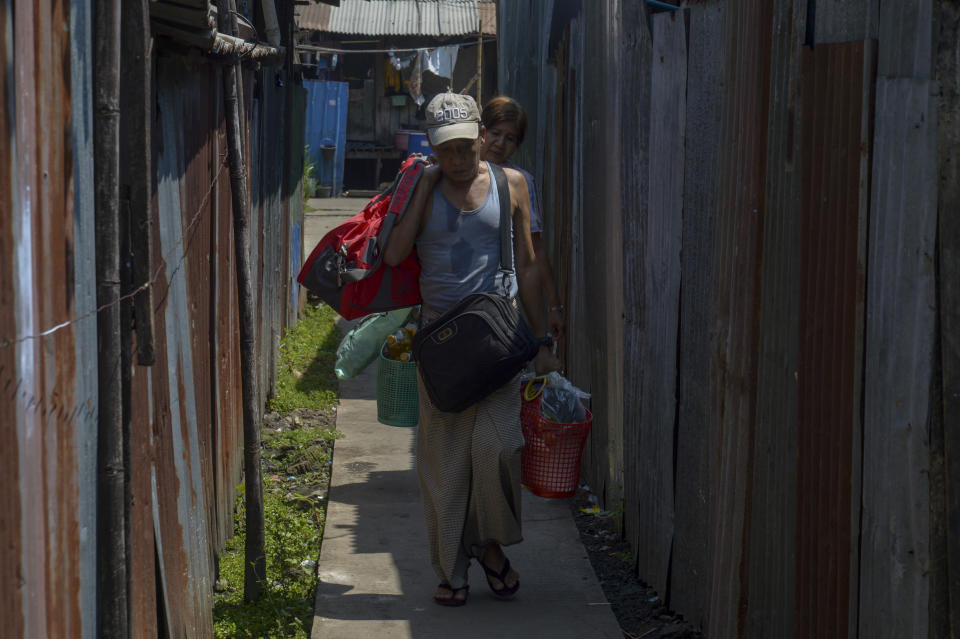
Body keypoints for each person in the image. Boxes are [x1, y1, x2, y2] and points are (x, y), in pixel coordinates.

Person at [383, 93, 560, 607]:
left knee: (500, 447)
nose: (458, 160)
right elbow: (395, 254)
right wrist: (424, 186)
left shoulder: (512, 184)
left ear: (481, 134)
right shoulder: (421, 182)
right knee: (445, 467)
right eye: (446, 151)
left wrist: (543, 338)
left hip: (498, 342)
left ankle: (488, 546)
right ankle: (452, 569)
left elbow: (527, 266)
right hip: (440, 346)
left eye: (465, 147)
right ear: (433, 148)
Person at [480, 96, 565, 341]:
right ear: (482, 130)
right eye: (496, 133)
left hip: (499, 304)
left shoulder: (519, 182)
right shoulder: (454, 174)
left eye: (510, 139)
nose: (500, 143)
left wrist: (554, 305)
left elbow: (534, 251)